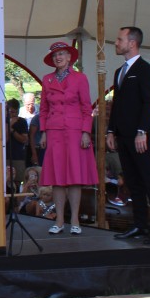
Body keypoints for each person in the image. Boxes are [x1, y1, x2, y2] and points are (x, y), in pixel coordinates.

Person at [107, 26, 150, 244]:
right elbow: (117, 103)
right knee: (132, 181)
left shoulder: (145, 70)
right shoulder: (119, 71)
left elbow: (149, 103)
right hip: (123, 136)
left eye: (119, 39)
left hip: (139, 136)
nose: (116, 42)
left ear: (132, 42)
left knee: (149, 179)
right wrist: (111, 130)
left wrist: (142, 131)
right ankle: (140, 224)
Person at [36, 41, 96, 235]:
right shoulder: (47, 79)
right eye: (55, 56)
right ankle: (59, 220)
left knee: (74, 178)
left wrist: (86, 132)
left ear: (70, 57)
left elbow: (87, 108)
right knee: (57, 178)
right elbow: (43, 109)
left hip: (74, 131)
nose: (58, 58)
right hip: (54, 132)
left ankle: (75, 219)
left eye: (61, 54)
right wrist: (43, 131)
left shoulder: (80, 78)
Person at [4, 99, 29, 189]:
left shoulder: (22, 121)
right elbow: (5, 139)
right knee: (6, 181)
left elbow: (24, 139)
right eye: (11, 112)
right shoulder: (2, 121)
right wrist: (9, 125)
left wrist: (13, 131)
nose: (14, 115)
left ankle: (17, 201)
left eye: (16, 112)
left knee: (18, 181)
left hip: (18, 156)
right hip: (5, 156)